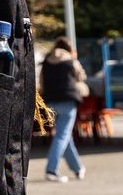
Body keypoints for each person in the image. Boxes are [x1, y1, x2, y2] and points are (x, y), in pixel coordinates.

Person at [40, 36, 88, 182]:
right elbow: (81, 77)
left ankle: (78, 169)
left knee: (64, 136)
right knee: (62, 135)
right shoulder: (70, 59)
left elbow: (41, 81)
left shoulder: (47, 60)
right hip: (67, 100)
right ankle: (51, 170)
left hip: (50, 101)